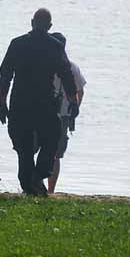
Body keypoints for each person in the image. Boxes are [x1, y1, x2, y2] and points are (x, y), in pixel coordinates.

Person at [0, 8, 78, 196]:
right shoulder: (55, 46)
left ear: (32, 22)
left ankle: (30, 181)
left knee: (24, 147)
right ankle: (37, 177)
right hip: (45, 104)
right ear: (49, 26)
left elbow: (5, 75)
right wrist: (73, 102)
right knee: (51, 139)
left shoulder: (17, 44)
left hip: (20, 103)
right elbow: (67, 76)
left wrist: (2, 104)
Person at [46, 33, 86, 194]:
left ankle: (36, 186)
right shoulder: (73, 67)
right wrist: (73, 110)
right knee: (56, 155)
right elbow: (80, 92)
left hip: (43, 111)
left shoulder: (45, 64)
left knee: (37, 150)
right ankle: (51, 190)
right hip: (63, 115)